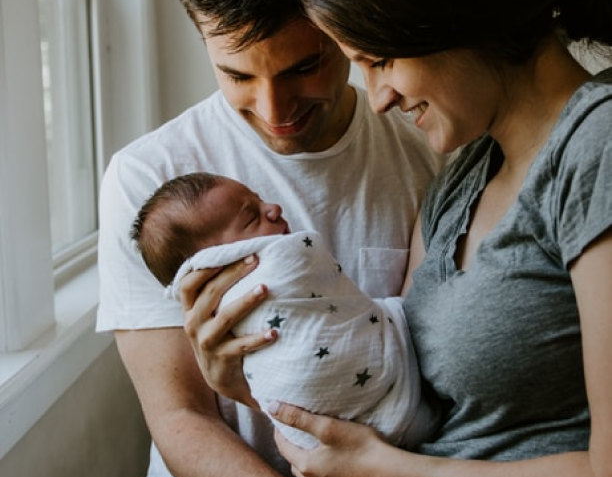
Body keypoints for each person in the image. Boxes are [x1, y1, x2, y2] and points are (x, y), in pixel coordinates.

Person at [95, 0, 528, 477]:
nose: (274, 109)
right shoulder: (152, 182)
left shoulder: (431, 140)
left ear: (342, 16)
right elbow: (179, 417)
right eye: (237, 74)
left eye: (306, 65)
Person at [205, 0, 612, 477]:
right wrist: (257, 379)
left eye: (381, 59)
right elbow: (405, 388)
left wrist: (382, 473)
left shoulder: (598, 149)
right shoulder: (463, 172)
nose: (380, 97)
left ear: (457, 14)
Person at [131, 170, 439, 451]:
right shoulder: (140, 171)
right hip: (289, 473)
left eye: (259, 199)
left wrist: (239, 389)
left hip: (347, 443)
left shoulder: (420, 160)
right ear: (219, 260)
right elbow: (179, 418)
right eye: (251, 218)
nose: (273, 207)